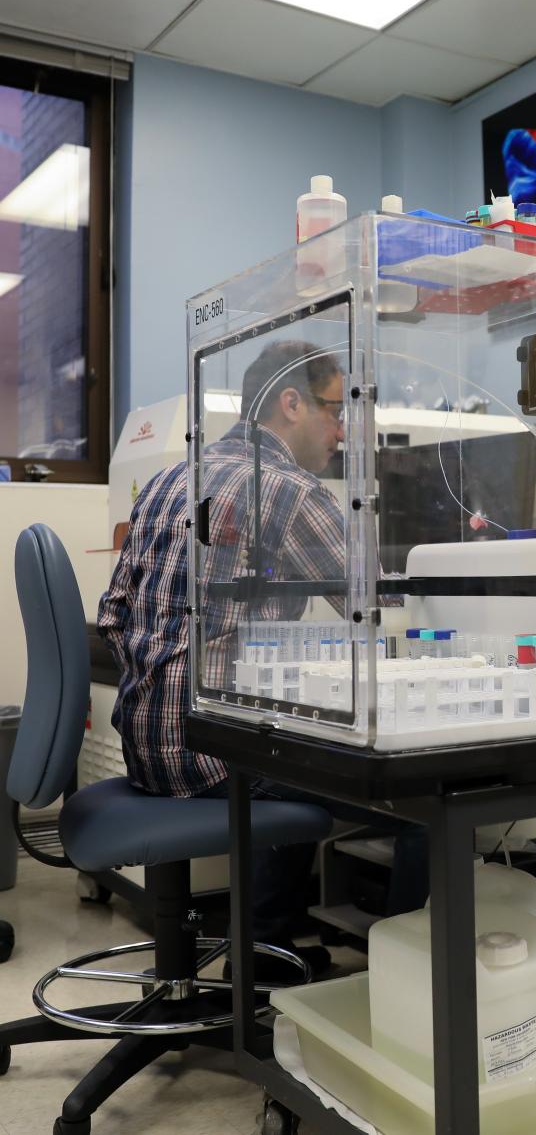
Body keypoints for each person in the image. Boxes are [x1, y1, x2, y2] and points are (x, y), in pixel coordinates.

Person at [98, 339, 426, 978]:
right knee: (422, 796)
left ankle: (263, 955)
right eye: (336, 411)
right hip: (212, 757)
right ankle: (406, 985)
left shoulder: (169, 480)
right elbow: (380, 607)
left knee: (288, 731)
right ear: (291, 404)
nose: (342, 431)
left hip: (143, 745)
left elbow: (112, 615)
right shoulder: (290, 489)